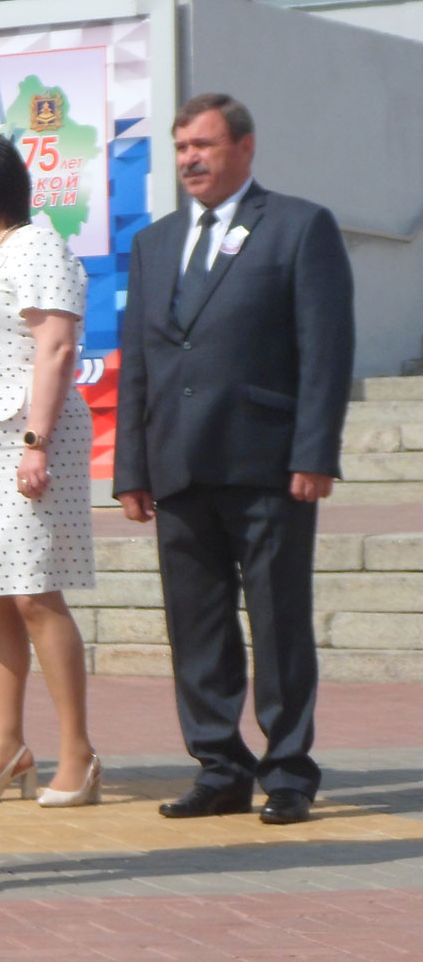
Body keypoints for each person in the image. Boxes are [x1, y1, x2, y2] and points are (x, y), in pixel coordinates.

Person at [114, 93, 353, 827]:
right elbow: (140, 362)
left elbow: (325, 349)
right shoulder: (155, 243)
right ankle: (220, 767)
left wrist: (314, 451)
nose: (190, 159)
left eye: (205, 145)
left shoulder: (298, 226)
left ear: (244, 149)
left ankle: (288, 771)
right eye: (182, 146)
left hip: (268, 463)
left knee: (280, 622)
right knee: (197, 627)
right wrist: (132, 468)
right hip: (178, 464)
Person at [0, 136, 100, 807]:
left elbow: (57, 345)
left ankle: (78, 753)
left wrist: (36, 442)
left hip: (29, 436)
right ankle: (7, 747)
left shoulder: (35, 245)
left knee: (37, 594)